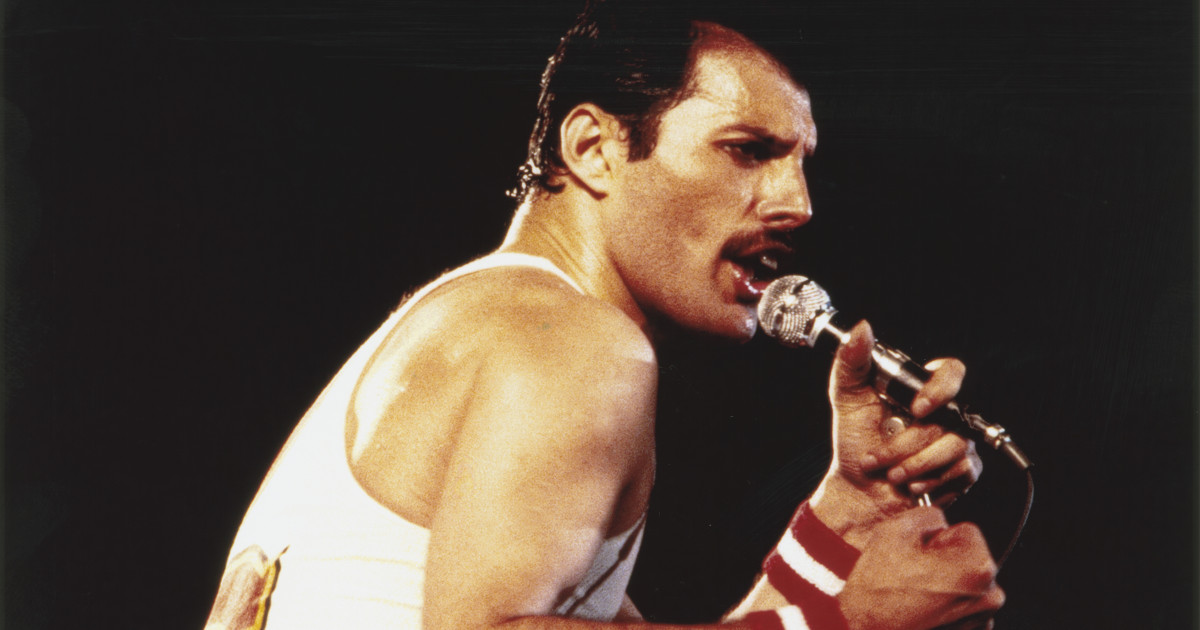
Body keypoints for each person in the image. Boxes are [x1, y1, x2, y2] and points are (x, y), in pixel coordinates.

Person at [205, 3, 1005, 629]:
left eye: (800, 164)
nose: (797, 204)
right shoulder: (573, 341)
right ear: (594, 148)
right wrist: (843, 626)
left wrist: (852, 509)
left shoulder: (487, 317)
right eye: (746, 150)